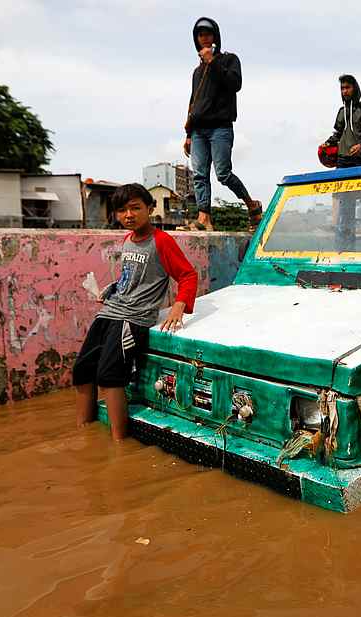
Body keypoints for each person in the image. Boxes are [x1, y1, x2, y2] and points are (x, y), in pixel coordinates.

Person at [73, 184, 198, 441]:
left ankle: (119, 442)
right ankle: (83, 430)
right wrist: (110, 289)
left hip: (134, 317)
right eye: (122, 210)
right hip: (111, 310)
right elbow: (129, 278)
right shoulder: (127, 240)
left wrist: (179, 305)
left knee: (109, 376)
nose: (129, 215)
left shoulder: (161, 241)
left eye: (135, 208)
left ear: (150, 209)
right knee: (82, 370)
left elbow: (187, 275)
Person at [183, 17, 261, 231]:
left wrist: (212, 61)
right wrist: (188, 134)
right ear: (196, 40)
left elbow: (235, 84)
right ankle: (204, 219)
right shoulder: (197, 72)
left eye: (208, 33)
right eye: (200, 34)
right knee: (199, 174)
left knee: (223, 174)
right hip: (198, 130)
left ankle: (252, 206)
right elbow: (194, 102)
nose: (204, 37)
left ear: (215, 36)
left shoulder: (229, 59)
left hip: (220, 127)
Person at [321, 75, 361, 169]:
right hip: (342, 158)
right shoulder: (342, 111)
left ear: (355, 88)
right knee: (339, 183)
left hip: (359, 157)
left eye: (347, 87)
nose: (344, 91)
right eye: (342, 88)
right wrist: (327, 143)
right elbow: (337, 134)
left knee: (359, 183)